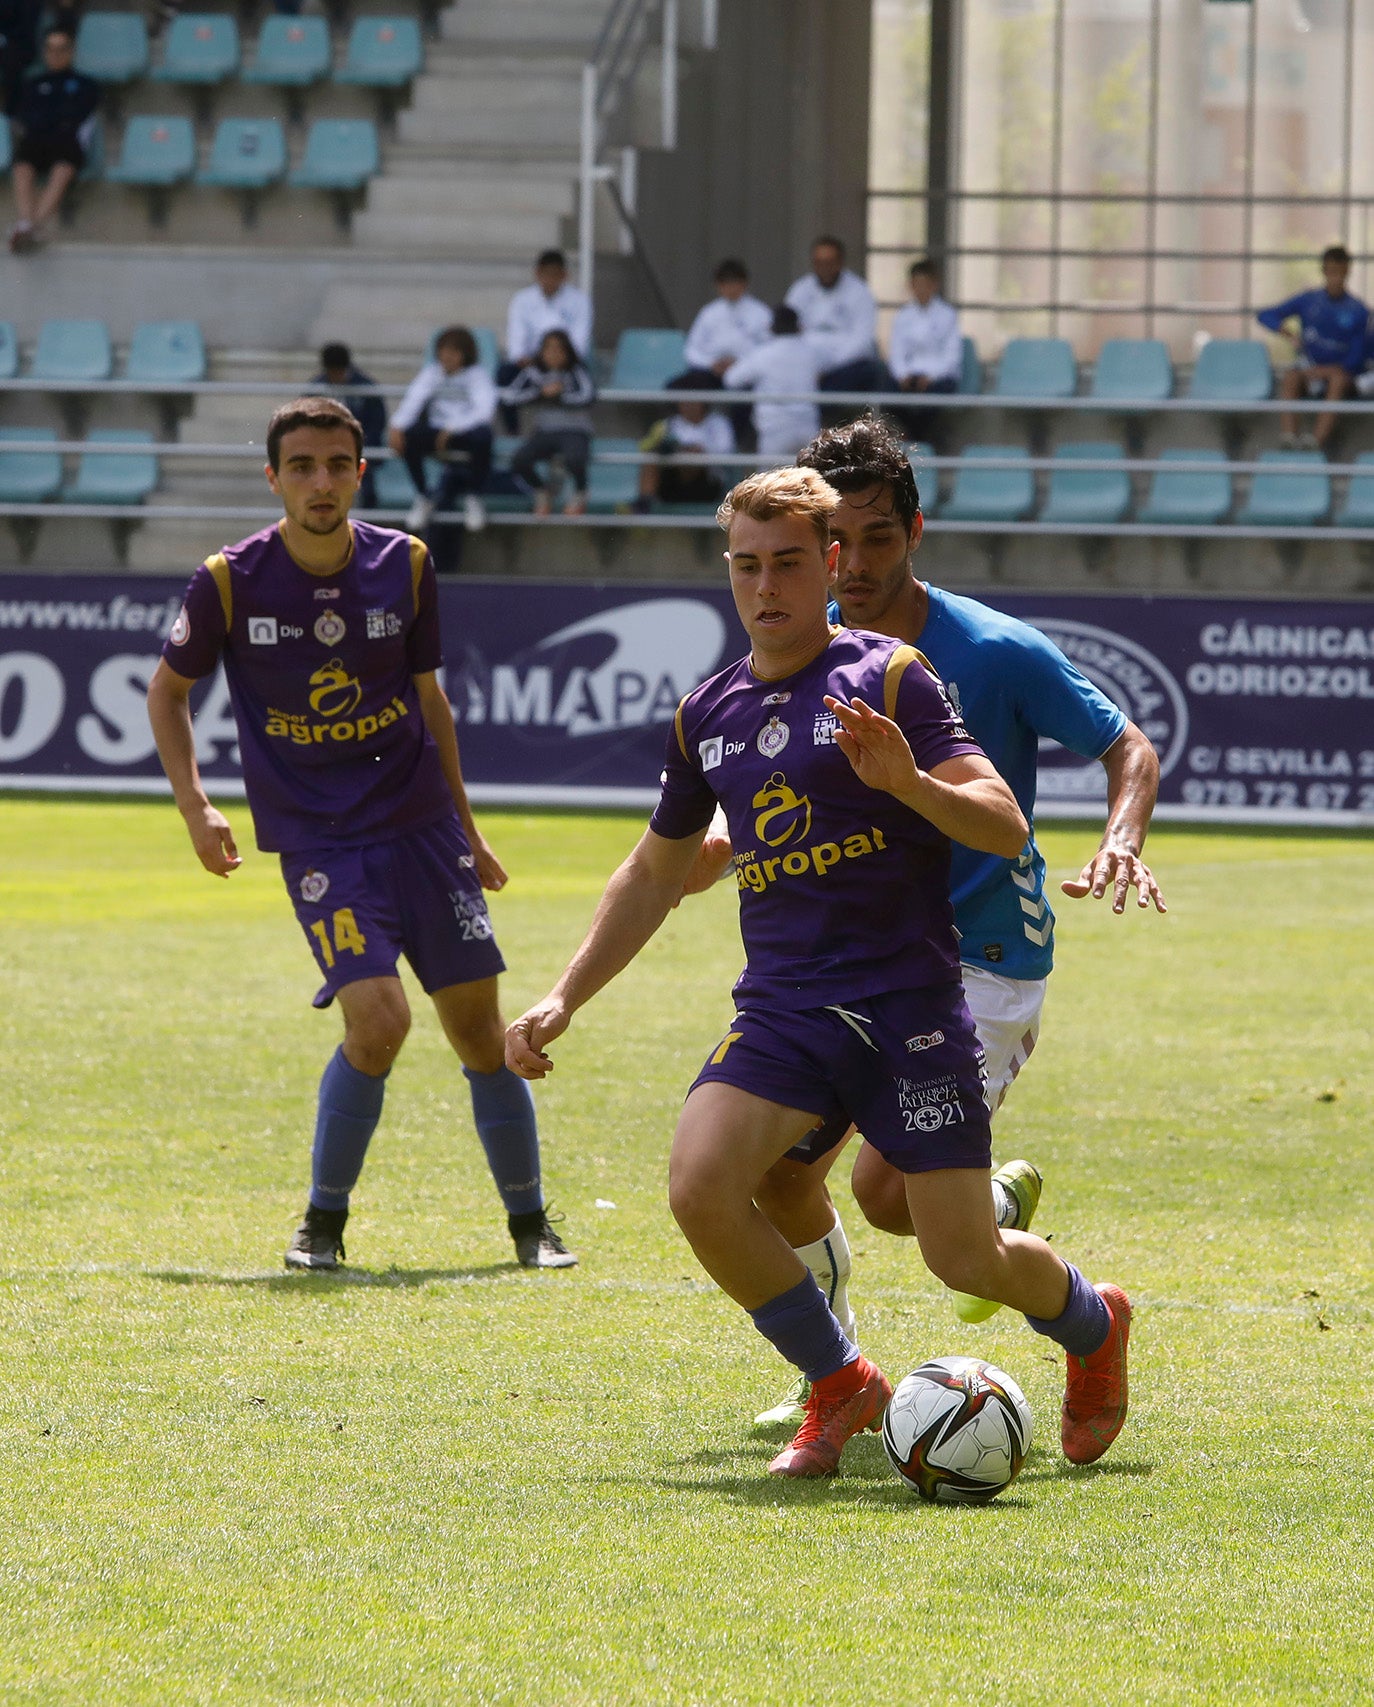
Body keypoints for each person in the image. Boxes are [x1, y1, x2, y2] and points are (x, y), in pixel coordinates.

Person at [506, 465, 1132, 1478]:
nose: (767, 587)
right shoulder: (705, 712)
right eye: (746, 567)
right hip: (789, 1008)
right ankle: (842, 1383)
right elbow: (656, 867)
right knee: (702, 1184)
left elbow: (1003, 819)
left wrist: (907, 781)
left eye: (789, 563)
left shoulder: (890, 677)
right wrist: (564, 993)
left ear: (829, 563)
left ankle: (1095, 1327)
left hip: (912, 1006)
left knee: (960, 1256)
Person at [683, 415, 1161, 1428]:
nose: (852, 568)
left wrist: (1121, 837)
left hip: (981, 955)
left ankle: (1032, 1263)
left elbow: (1128, 746)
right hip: (853, 962)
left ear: (913, 534)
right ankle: (832, 1369)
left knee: (895, 1202)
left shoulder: (989, 650)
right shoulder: (792, 658)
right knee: (772, 1175)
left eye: (878, 541)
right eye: (833, 543)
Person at [145, 395, 576, 1274]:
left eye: (337, 464)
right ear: (274, 478)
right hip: (320, 843)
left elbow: (433, 704)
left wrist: (469, 829)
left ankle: (531, 1226)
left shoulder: (406, 564)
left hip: (420, 825)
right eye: (301, 466)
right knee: (378, 1023)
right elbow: (167, 691)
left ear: (360, 473)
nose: (321, 481)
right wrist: (196, 804)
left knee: (476, 1029)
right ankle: (322, 1223)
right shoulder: (229, 579)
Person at [387, 326, 496, 540]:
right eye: (444, 351)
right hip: (437, 433)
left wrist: (452, 428)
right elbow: (414, 400)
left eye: (453, 352)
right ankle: (424, 495)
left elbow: (484, 412)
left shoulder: (477, 376)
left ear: (465, 354)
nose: (447, 357)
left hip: (465, 432)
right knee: (410, 436)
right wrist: (396, 426)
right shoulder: (432, 373)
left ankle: (474, 497)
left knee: (484, 437)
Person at [1256, 246, 1368, 451]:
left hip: (1342, 377)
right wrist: (1285, 331)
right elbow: (1265, 315)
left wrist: (1326, 371)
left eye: (1340, 273)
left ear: (1347, 272)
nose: (1335, 278)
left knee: (1337, 379)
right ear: (1324, 272)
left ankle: (1315, 442)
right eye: (1331, 272)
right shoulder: (1308, 300)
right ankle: (1289, 438)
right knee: (1291, 376)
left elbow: (1356, 359)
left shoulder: (1358, 310)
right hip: (1312, 372)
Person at [7, 27, 100, 254]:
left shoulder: (86, 84)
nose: (55, 54)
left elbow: (76, 116)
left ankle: (30, 226)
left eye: (61, 49)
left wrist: (51, 120)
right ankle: (28, 225)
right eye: (50, 49)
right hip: (37, 140)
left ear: (71, 51)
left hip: (66, 143)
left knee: (62, 169)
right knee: (21, 166)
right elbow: (24, 115)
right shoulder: (33, 83)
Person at [784, 234, 895, 398]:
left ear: (840, 262)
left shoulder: (859, 292)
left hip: (845, 366)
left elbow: (862, 340)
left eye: (829, 263)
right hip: (807, 365)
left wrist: (827, 366)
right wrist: (810, 365)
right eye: (819, 263)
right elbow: (787, 332)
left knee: (873, 371)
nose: (824, 268)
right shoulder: (800, 290)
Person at [502, 329, 597, 516]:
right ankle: (542, 490)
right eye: (549, 349)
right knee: (520, 459)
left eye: (559, 350)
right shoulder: (533, 372)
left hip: (574, 429)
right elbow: (510, 397)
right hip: (545, 430)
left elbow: (589, 396)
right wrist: (539, 394)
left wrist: (560, 395)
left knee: (575, 458)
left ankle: (580, 491)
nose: (553, 355)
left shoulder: (576, 370)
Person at [498, 248, 593, 430]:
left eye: (555, 275)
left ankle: (572, 431)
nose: (549, 280)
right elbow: (516, 339)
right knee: (504, 376)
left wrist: (558, 360)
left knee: (583, 379)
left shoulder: (580, 301)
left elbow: (579, 342)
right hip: (532, 363)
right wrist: (530, 360)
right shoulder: (522, 300)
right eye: (545, 275)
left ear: (564, 275)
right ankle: (513, 433)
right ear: (537, 274)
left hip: (567, 362)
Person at [723, 306, 820, 462]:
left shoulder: (763, 353)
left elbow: (731, 379)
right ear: (798, 326)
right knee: (812, 481)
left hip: (775, 429)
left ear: (771, 327)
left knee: (768, 484)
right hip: (807, 427)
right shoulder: (811, 352)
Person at [633, 373, 735, 512]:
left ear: (703, 403)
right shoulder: (668, 425)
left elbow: (726, 454)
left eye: (692, 401)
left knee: (692, 456)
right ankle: (643, 506)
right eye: (683, 401)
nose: (688, 405)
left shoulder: (719, 424)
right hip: (672, 482)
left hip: (707, 483)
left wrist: (697, 452)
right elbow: (646, 447)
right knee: (652, 457)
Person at [889, 258, 963, 441]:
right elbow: (896, 352)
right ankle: (919, 438)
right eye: (917, 284)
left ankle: (915, 438)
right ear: (911, 286)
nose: (921, 289)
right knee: (885, 392)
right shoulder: (903, 316)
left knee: (933, 399)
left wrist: (930, 376)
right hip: (909, 376)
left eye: (925, 284)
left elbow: (952, 356)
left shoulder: (947, 315)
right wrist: (902, 375)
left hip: (938, 377)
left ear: (934, 285)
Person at [312, 342, 385, 511]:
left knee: (365, 481)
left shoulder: (366, 389)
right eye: (332, 372)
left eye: (338, 372)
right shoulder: (316, 389)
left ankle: (367, 517)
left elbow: (377, 422)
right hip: (323, 448)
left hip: (361, 447)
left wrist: (360, 445)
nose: (335, 376)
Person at [680, 258, 772, 382]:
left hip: (747, 373)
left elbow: (769, 348)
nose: (730, 288)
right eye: (725, 284)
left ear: (744, 283)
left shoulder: (760, 313)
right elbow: (691, 349)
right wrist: (711, 364)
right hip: (712, 371)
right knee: (682, 388)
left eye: (734, 283)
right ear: (717, 285)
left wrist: (740, 363)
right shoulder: (709, 312)